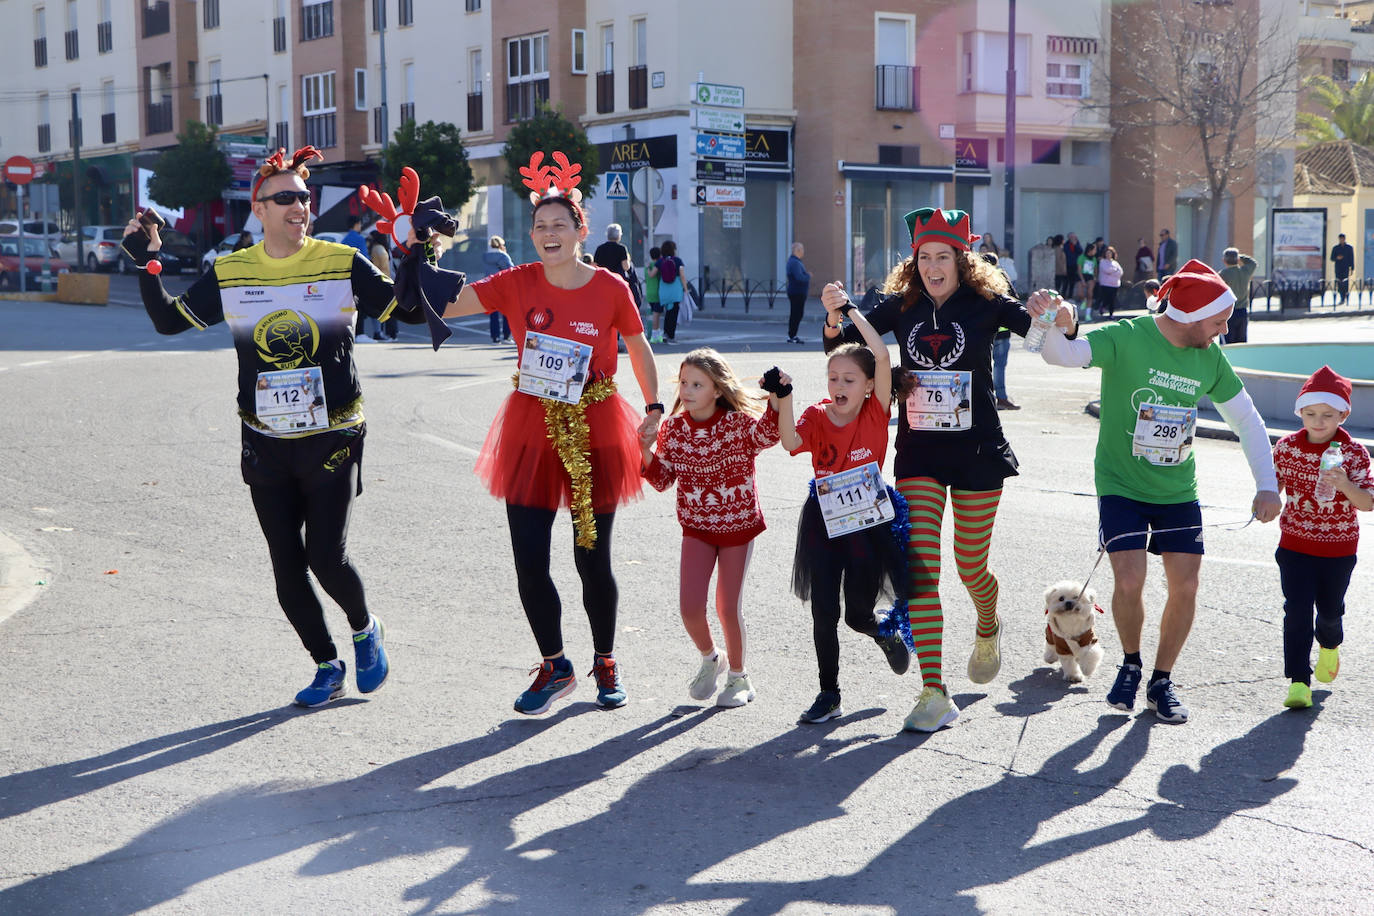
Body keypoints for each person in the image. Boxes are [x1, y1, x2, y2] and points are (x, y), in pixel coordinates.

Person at [127, 146, 425, 707]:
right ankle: (325, 664)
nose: (299, 206)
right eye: (285, 197)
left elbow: (407, 312)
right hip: (264, 441)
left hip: (333, 435)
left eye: (304, 198)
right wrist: (146, 262)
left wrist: (411, 250)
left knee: (326, 556)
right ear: (258, 208)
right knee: (286, 566)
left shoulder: (341, 262)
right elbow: (169, 321)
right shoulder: (233, 271)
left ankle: (364, 627)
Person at [432, 150, 661, 715]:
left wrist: (653, 407)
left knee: (592, 559)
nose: (549, 233)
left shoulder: (609, 287)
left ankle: (605, 660)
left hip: (594, 430)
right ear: (530, 234)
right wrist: (420, 255)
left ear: (580, 231)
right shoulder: (517, 281)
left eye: (560, 224)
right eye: (540, 226)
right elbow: (447, 304)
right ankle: (555, 665)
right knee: (530, 561)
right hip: (531, 430)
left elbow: (638, 345)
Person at [1029, 258, 1282, 723]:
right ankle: (1129, 663)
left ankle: (1161, 680)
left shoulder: (1210, 357)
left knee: (1185, 587)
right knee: (1128, 581)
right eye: (1219, 320)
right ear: (1189, 316)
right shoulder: (1128, 336)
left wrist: (1267, 486)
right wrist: (1053, 324)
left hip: (1176, 489)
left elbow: (1246, 420)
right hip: (1120, 484)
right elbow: (1062, 355)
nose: (1225, 328)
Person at [821, 208, 1043, 732]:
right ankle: (934, 690)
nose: (933, 266)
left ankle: (987, 623)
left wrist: (1056, 311)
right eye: (925, 257)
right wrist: (834, 316)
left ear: (962, 261)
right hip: (919, 453)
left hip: (978, 452)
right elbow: (846, 348)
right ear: (914, 261)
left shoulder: (986, 303)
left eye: (944, 256)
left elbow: (1041, 335)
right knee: (920, 568)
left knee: (970, 565)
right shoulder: (901, 307)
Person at [778, 305, 914, 724]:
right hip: (824, 518)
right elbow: (789, 441)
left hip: (869, 521)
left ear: (870, 385)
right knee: (824, 611)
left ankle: (883, 633)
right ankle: (829, 692)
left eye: (849, 379)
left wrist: (851, 310)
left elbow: (883, 355)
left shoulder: (876, 410)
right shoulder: (819, 415)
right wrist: (782, 399)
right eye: (832, 378)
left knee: (857, 614)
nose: (838, 385)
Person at [640, 348, 782, 708]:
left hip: (738, 526)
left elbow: (768, 435)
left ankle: (738, 677)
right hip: (697, 528)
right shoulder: (673, 429)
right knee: (689, 607)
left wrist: (778, 398)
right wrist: (645, 451)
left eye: (697, 384)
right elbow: (662, 480)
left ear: (717, 389)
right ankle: (710, 658)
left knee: (726, 607)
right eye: (684, 382)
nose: (686, 390)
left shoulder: (736, 424)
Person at [1272, 367, 1372, 709]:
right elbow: (1274, 488)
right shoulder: (1286, 448)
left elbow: (1367, 504)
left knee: (1329, 611)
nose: (1318, 421)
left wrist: (1344, 484)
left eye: (1328, 415)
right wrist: (1265, 500)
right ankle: (1298, 681)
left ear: (1343, 414)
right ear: (1300, 411)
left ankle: (1330, 644)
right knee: (1296, 611)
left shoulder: (1355, 453)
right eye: (1310, 414)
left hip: (1338, 549)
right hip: (1294, 544)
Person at [1217, 247, 1257, 344]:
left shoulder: (1223, 274)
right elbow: (1253, 263)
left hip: (1228, 312)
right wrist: (1240, 256)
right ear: (1238, 260)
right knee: (1241, 342)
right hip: (1243, 311)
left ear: (1224, 260)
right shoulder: (1245, 271)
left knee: (1228, 343)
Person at [362, 229, 394, 341]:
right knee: (381, 309)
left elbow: (375, 266)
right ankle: (379, 332)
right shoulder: (382, 249)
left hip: (378, 282)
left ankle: (379, 332)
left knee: (378, 309)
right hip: (384, 281)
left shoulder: (375, 249)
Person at [483, 236, 514, 343]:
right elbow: (511, 270)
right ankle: (506, 336)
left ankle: (495, 337)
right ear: (500, 245)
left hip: (490, 286)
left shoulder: (486, 256)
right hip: (503, 287)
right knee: (506, 312)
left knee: (493, 313)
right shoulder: (503, 256)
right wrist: (506, 254)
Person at [656, 240, 686, 344]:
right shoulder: (678, 260)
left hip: (664, 290)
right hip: (675, 290)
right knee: (673, 314)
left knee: (668, 313)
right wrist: (686, 289)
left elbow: (652, 274)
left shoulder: (660, 261)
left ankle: (665, 333)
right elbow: (682, 275)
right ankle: (671, 335)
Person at [785, 241, 811, 344]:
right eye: (802, 249)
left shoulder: (794, 261)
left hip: (796, 291)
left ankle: (792, 335)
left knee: (796, 313)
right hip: (797, 292)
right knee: (796, 314)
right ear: (797, 250)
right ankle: (792, 335)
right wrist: (808, 276)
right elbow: (799, 277)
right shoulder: (795, 262)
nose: (803, 252)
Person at [1096, 245, 1123, 318]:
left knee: (1112, 299)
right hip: (1105, 284)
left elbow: (1120, 272)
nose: (1108, 255)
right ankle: (1102, 307)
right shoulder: (1102, 261)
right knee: (1106, 298)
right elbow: (1107, 270)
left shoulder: (1115, 263)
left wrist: (1113, 272)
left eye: (1110, 253)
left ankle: (1111, 314)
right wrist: (1115, 271)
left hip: (1115, 284)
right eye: (1107, 253)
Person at [1330, 233, 1354, 305]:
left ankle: (1346, 297)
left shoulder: (1349, 248)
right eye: (1340, 239)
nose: (1341, 240)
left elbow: (1351, 258)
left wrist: (1352, 268)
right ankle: (1341, 298)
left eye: (1343, 239)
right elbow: (1332, 258)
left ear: (1344, 239)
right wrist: (1337, 258)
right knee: (1339, 283)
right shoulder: (1336, 248)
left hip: (1346, 268)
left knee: (1345, 283)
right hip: (1338, 268)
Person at [1063, 233, 1083, 301]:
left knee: (1072, 282)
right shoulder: (1066, 244)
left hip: (1075, 266)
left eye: (1074, 237)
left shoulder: (1077, 244)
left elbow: (1081, 251)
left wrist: (1075, 245)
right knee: (1066, 282)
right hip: (1067, 266)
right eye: (1071, 237)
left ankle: (1070, 297)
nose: (1072, 238)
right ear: (1068, 237)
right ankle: (1063, 296)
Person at [1052, 234, 1069, 299]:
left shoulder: (1059, 248)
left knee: (1058, 286)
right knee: (1058, 286)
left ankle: (1057, 298)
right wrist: (1063, 270)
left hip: (1059, 270)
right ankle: (1057, 299)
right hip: (1059, 271)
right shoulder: (1058, 249)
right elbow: (1059, 261)